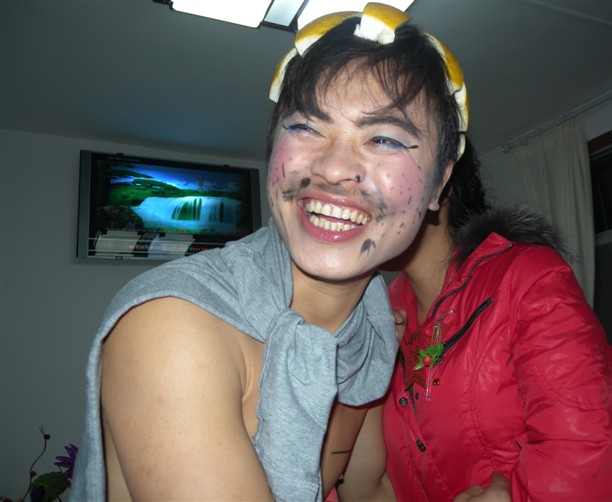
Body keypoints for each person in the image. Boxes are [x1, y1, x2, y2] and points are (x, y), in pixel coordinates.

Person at [69, 4, 472, 501]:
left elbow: (366, 490)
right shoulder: (173, 324)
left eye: (384, 138)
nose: (333, 168)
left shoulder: (367, 335)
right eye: (306, 127)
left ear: (440, 184)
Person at [337, 139, 612, 501]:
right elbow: (369, 489)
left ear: (441, 186)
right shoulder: (380, 322)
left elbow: (592, 461)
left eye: (381, 178)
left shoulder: (525, 276)